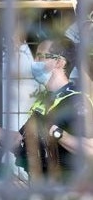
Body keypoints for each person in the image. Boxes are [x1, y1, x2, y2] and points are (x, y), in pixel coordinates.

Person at [12, 36, 93, 183]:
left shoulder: (76, 101)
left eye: (40, 56)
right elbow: (19, 139)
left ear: (60, 62)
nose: (34, 62)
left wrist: (58, 134)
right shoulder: (45, 102)